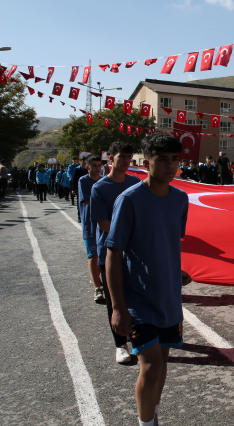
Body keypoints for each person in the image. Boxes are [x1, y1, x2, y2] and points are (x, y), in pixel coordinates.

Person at [107, 132, 191, 426]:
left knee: (163, 361)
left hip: (168, 297)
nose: (170, 165)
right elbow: (113, 253)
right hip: (138, 302)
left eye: (175, 160)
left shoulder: (181, 199)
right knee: (151, 364)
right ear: (146, 163)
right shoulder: (129, 200)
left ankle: (152, 414)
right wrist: (117, 306)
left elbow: (165, 242)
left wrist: (176, 271)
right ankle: (146, 424)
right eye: (162, 160)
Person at [91, 141, 141, 364]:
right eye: (122, 156)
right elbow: (103, 223)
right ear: (110, 158)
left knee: (138, 296)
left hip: (135, 252)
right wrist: (128, 237)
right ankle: (120, 345)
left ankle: (139, 338)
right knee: (115, 299)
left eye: (129, 157)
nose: (126, 161)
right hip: (111, 253)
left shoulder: (135, 183)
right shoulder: (99, 188)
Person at [79, 154, 105, 304]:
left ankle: (101, 281)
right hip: (90, 224)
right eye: (94, 165)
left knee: (104, 256)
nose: (97, 168)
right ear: (87, 166)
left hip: (103, 223)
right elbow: (87, 200)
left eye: (99, 165)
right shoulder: (84, 181)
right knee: (93, 255)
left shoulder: (103, 180)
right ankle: (97, 288)